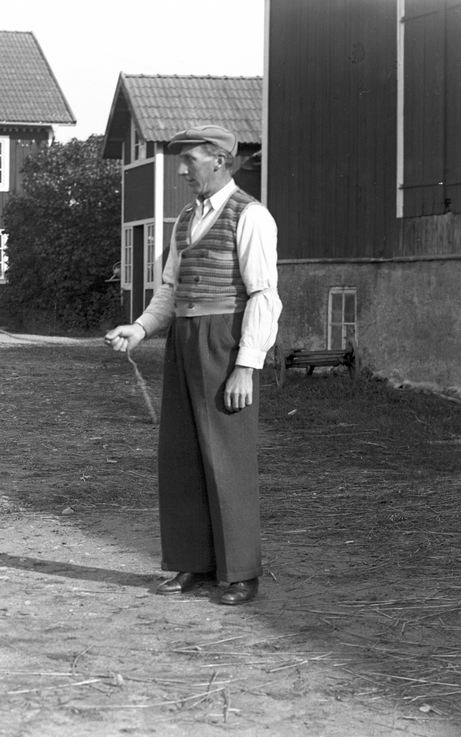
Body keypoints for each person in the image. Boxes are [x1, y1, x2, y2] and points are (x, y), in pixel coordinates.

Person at [105, 125, 281, 606]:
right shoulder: (185, 218)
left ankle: (240, 573)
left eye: (190, 160)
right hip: (183, 340)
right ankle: (193, 564)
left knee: (228, 456)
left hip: (224, 342)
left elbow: (264, 296)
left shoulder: (251, 215)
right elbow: (170, 289)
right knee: (181, 455)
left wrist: (246, 366)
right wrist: (140, 328)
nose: (182, 170)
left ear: (220, 160)